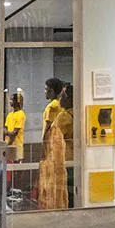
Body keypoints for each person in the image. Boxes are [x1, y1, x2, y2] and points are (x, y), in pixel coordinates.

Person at [39, 82, 71, 210]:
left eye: (46, 90)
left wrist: (44, 147)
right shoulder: (60, 108)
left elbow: (49, 129)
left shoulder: (52, 107)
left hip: (55, 150)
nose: (45, 92)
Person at [54, 84, 74, 208]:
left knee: (65, 193)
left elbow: (54, 136)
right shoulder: (77, 113)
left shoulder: (64, 116)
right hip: (74, 158)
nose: (60, 99)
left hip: (65, 158)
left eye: (62, 96)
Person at [4, 91, 26, 161]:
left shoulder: (20, 114)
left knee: (16, 164)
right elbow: (5, 129)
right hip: (8, 145)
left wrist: (9, 143)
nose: (10, 101)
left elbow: (15, 132)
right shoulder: (9, 115)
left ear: (17, 102)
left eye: (12, 99)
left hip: (17, 145)